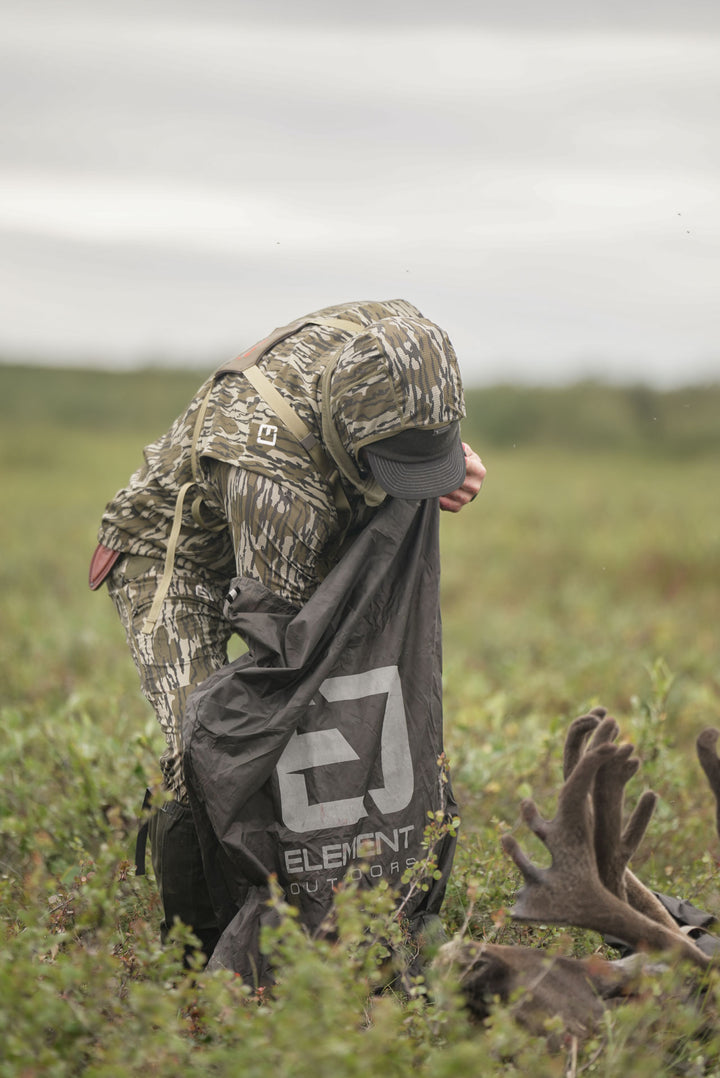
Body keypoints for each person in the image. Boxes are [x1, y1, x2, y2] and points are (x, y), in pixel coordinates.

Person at [89, 297, 485, 959]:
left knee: (393, 721)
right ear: (348, 434)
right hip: (173, 561)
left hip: (297, 511)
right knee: (212, 747)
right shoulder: (274, 484)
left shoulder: (402, 346)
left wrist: (436, 465)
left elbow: (410, 430)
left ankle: (399, 923)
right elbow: (291, 653)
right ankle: (199, 961)